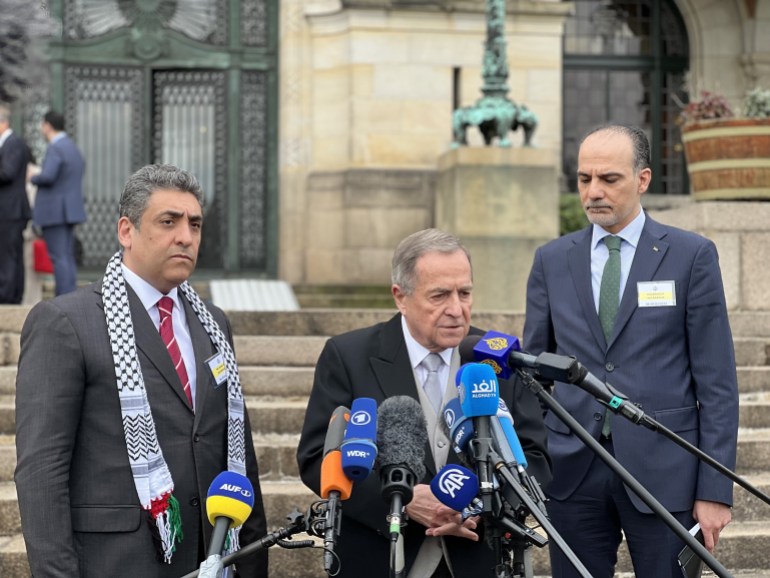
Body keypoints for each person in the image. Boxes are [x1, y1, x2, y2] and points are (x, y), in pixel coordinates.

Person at [15, 164, 268, 578]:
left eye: (195, 224)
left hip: (213, 557)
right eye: (168, 222)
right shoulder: (67, 322)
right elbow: (41, 470)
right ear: (126, 231)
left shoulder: (214, 324)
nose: (185, 236)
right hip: (115, 563)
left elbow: (238, 455)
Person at [523, 124, 739, 577]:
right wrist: (539, 462)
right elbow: (534, 373)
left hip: (666, 474)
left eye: (609, 179)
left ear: (642, 180)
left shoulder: (691, 255)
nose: (593, 192)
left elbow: (717, 383)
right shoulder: (552, 260)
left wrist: (715, 490)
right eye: (584, 179)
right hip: (571, 471)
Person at [297, 228, 551, 578]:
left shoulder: (498, 360)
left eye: (464, 293)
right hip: (379, 557)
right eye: (439, 296)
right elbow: (317, 458)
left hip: (475, 557)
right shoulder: (348, 356)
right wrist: (401, 502)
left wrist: (472, 507)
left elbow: (534, 458)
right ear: (400, 297)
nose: (456, 309)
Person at [29, 109, 87, 295]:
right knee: (66, 256)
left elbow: (48, 176)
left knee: (59, 257)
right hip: (69, 210)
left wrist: (33, 176)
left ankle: (63, 298)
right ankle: (69, 295)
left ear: (47, 125)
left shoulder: (55, 147)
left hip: (54, 212)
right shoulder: (72, 147)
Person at [0, 103, 31, 304]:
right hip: (9, 210)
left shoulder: (13, 143)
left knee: (8, 254)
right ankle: (11, 293)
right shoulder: (10, 143)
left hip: (11, 210)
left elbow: (7, 173)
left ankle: (7, 295)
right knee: (9, 253)